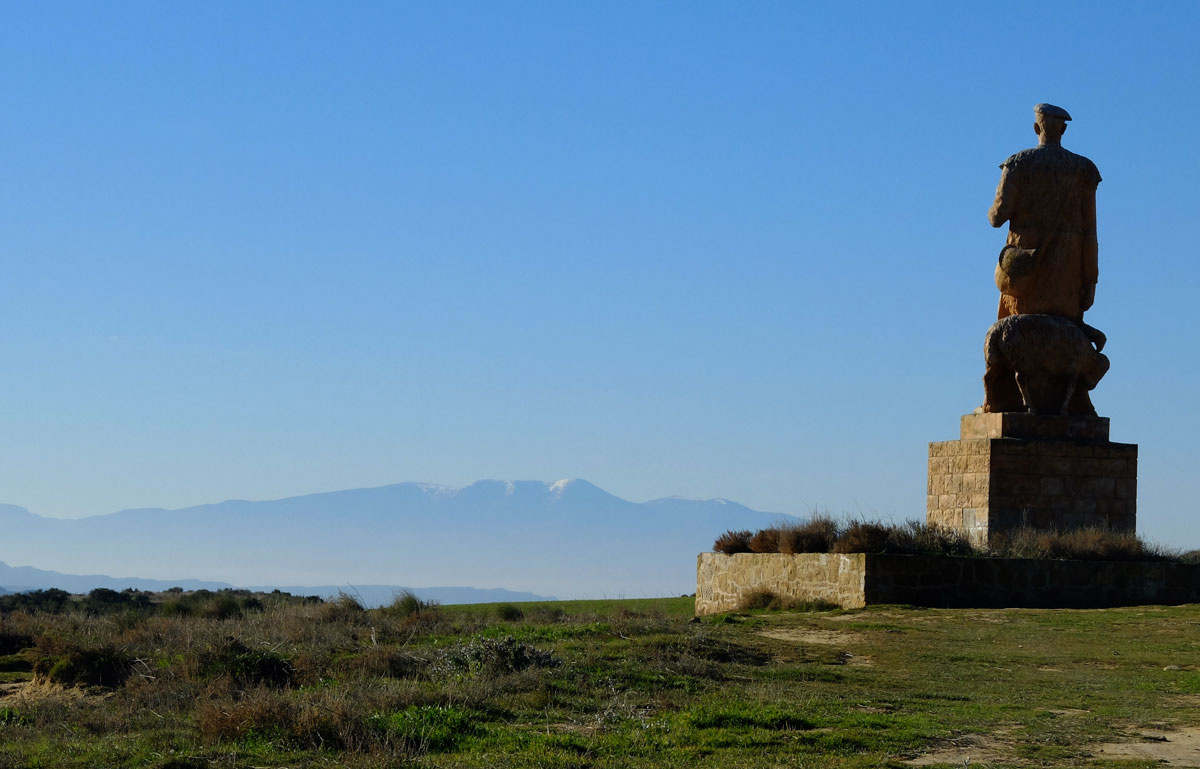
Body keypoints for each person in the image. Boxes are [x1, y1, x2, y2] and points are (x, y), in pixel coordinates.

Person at [988, 103, 1101, 322]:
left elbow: (997, 218)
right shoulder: (1084, 170)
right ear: (1063, 130)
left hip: (1023, 279)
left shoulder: (1017, 164)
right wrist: (1091, 282)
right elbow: (1090, 234)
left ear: (1036, 128)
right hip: (1066, 283)